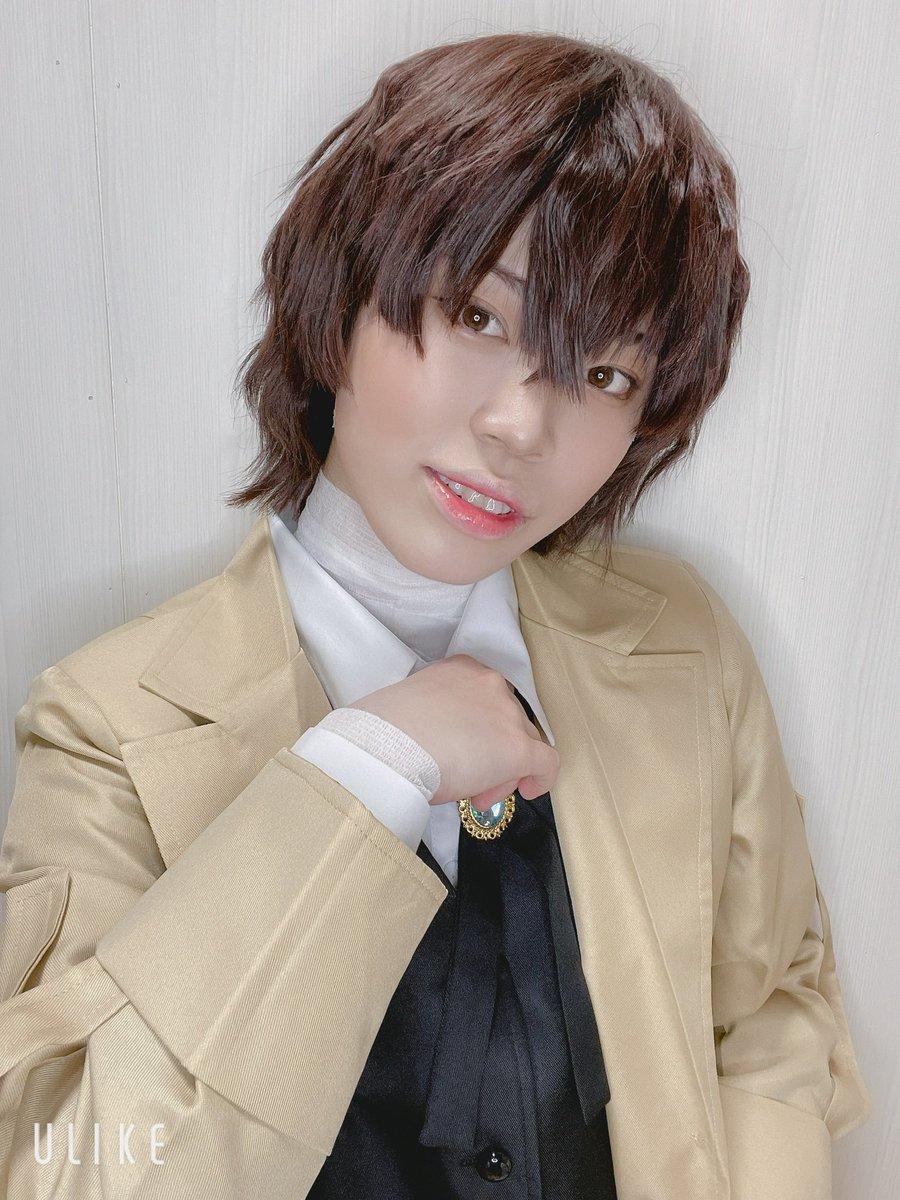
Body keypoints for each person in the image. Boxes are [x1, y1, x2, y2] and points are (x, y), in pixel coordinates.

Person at [0, 31, 869, 1200]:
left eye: (605, 374)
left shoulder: (681, 642)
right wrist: (368, 769)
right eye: (479, 317)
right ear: (341, 293)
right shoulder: (109, 724)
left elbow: (767, 1012)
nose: (524, 426)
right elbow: (67, 1171)